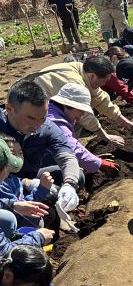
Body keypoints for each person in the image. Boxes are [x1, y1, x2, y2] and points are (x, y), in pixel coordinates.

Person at [0, 81, 81, 214]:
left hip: (31, 177)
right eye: (31, 118)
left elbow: (67, 157)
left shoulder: (47, 128)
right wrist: (26, 182)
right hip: (4, 183)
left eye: (42, 118)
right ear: (9, 109)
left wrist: (70, 185)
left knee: (76, 177)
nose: (37, 125)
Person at [28, 56, 133, 146]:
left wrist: (125, 122)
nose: (104, 84)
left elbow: (100, 99)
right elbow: (84, 115)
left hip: (48, 103)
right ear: (92, 76)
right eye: (104, 81)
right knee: (74, 118)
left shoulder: (84, 70)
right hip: (32, 106)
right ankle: (66, 149)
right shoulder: (74, 81)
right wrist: (106, 137)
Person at [46, 84, 118, 177]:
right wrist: (99, 163)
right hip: (34, 165)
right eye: (81, 109)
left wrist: (92, 159)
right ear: (68, 105)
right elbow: (70, 147)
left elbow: (72, 142)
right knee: (78, 176)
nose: (82, 114)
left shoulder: (53, 110)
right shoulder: (56, 123)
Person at [0, 143, 54, 255]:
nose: (6, 175)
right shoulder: (3, 185)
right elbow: (5, 251)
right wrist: (39, 237)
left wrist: (13, 205)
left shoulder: (11, 178)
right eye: (6, 169)